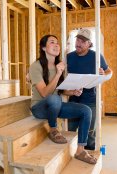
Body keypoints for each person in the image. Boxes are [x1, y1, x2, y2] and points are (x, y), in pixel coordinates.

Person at [29, 34, 97, 164]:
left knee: (86, 110)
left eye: (57, 43)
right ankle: (53, 129)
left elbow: (60, 89)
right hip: (40, 107)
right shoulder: (36, 66)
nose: (56, 45)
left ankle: (80, 150)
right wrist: (59, 73)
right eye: (52, 42)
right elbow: (44, 93)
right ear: (43, 47)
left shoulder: (58, 65)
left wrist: (72, 91)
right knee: (54, 98)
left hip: (55, 105)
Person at [67, 28, 113, 150]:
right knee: (70, 130)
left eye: (83, 41)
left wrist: (103, 75)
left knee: (89, 132)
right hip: (73, 100)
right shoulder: (69, 57)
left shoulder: (96, 57)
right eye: (77, 39)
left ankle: (89, 155)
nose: (78, 43)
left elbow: (109, 72)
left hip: (91, 100)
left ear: (89, 44)